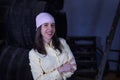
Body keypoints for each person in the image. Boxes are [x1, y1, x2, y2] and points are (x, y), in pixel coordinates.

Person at [29, 12, 77, 80]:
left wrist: (49, 75)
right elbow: (38, 79)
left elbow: (73, 66)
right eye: (46, 25)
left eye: (52, 25)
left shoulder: (62, 42)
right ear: (39, 28)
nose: (50, 28)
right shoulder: (33, 53)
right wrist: (60, 70)